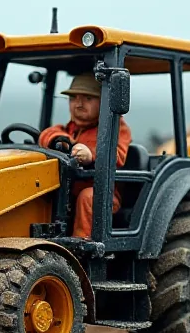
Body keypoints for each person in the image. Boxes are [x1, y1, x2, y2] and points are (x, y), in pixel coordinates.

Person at [38, 72, 132, 239]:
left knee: (88, 197)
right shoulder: (68, 129)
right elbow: (48, 134)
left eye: (88, 98)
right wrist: (59, 140)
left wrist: (92, 155)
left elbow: (118, 156)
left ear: (104, 101)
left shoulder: (116, 129)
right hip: (67, 190)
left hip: (104, 192)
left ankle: (82, 245)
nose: (79, 104)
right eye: (73, 98)